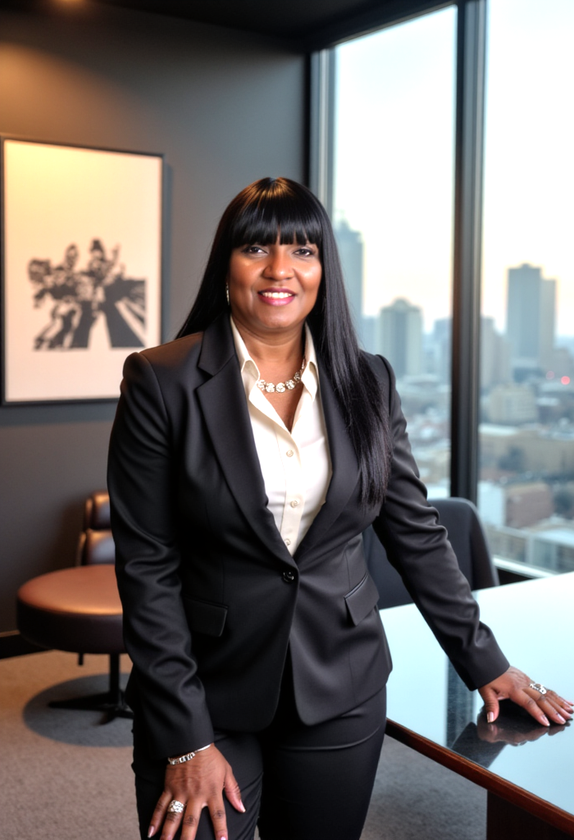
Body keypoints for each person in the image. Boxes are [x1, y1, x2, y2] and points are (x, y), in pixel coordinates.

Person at [107, 177, 572, 840]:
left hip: (341, 686)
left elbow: (414, 532)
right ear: (226, 264)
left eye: (303, 251)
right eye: (256, 250)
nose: (280, 271)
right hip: (206, 688)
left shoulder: (368, 380)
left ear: (324, 269)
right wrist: (184, 739)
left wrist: (486, 662)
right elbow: (147, 568)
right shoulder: (161, 380)